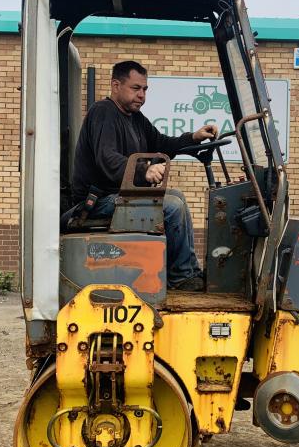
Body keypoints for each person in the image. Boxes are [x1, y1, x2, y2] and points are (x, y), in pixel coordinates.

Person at [71, 60, 217, 291]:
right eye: (135, 88)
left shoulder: (136, 119)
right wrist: (144, 170)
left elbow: (162, 143)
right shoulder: (103, 113)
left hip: (119, 195)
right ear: (116, 85)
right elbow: (107, 159)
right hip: (97, 201)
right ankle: (181, 277)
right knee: (171, 206)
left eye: (145, 89)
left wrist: (193, 138)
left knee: (176, 196)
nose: (141, 95)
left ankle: (185, 271)